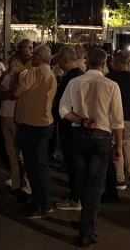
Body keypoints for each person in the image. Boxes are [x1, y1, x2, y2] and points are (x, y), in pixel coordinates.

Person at [59, 47, 124, 247]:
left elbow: (62, 109)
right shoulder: (111, 85)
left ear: (86, 62)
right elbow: (117, 120)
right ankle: (87, 229)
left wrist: (80, 119)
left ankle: (85, 222)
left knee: (83, 179)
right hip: (102, 137)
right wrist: (119, 146)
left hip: (79, 134)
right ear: (104, 63)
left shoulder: (74, 82)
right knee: (95, 184)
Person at [12, 45, 57, 218]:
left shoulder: (34, 72)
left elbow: (16, 92)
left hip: (33, 124)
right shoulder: (51, 74)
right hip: (45, 122)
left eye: (33, 54)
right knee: (41, 165)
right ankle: (44, 201)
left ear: (37, 56)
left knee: (34, 166)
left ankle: (41, 203)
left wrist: (17, 73)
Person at [53, 47, 85, 211]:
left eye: (58, 59)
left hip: (70, 126)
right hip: (72, 125)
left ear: (65, 60)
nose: (57, 61)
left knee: (74, 162)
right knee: (74, 162)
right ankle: (76, 195)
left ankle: (75, 198)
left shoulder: (74, 78)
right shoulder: (76, 76)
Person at [0, 53, 31, 200]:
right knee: (11, 152)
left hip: (17, 117)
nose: (10, 64)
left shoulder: (25, 75)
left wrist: (8, 92)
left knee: (20, 154)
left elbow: (16, 93)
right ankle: (15, 183)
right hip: (5, 115)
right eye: (9, 62)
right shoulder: (7, 75)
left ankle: (26, 186)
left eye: (13, 62)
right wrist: (6, 93)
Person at [106, 51, 130, 189]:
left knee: (116, 144)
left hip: (116, 116)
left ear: (118, 63)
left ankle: (119, 178)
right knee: (127, 143)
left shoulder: (111, 77)